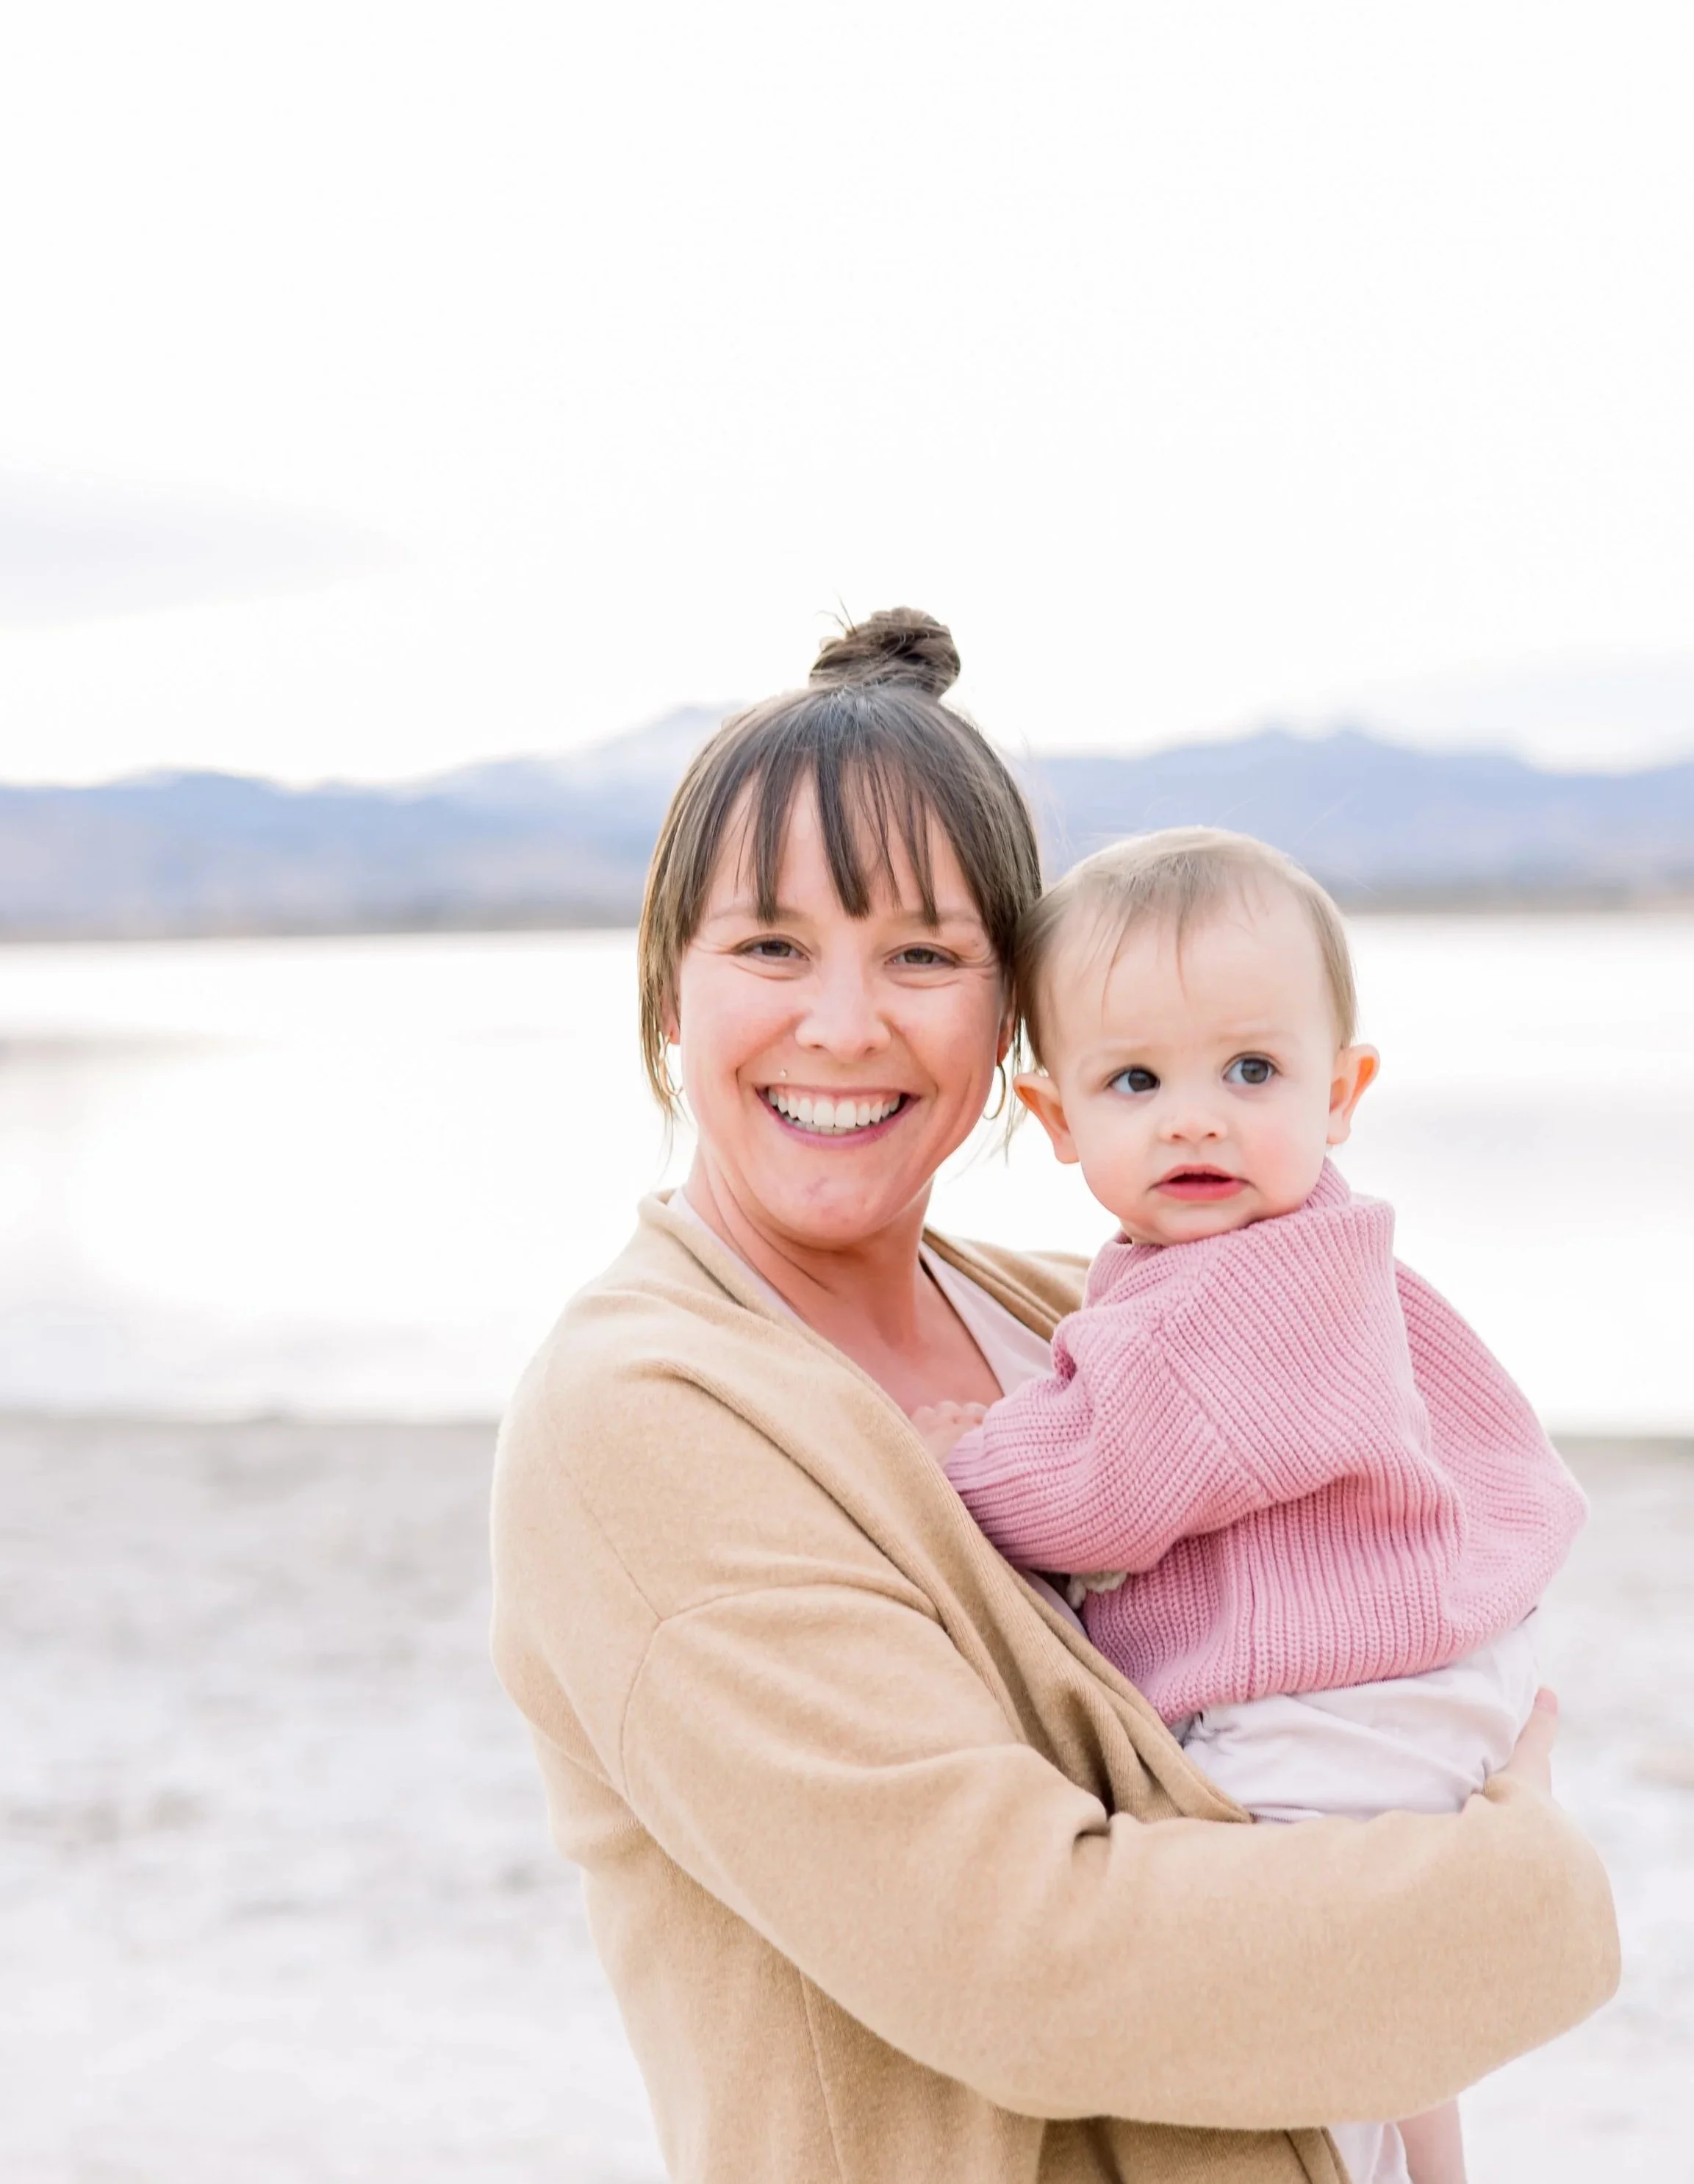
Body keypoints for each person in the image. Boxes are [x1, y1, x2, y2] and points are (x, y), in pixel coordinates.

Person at [489, 609, 1618, 2184]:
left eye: (925, 956)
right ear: (669, 992)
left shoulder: (1064, 1305)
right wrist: (1526, 1903)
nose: (843, 1021)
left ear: (1015, 1017)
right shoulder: (645, 1416)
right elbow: (1024, 1961)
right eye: (769, 947)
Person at [918, 827, 1589, 2184]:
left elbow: (1100, 1493)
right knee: (1399, 2003)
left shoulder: (1233, 1292)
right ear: (1058, 1118)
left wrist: (961, 1460)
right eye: (1135, 1079)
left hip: (1328, 1706)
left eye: (1251, 1070)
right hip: (1424, 1676)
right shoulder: (1325, 1241)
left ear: (1342, 1088)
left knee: (1280, 1977)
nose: (1195, 1115)